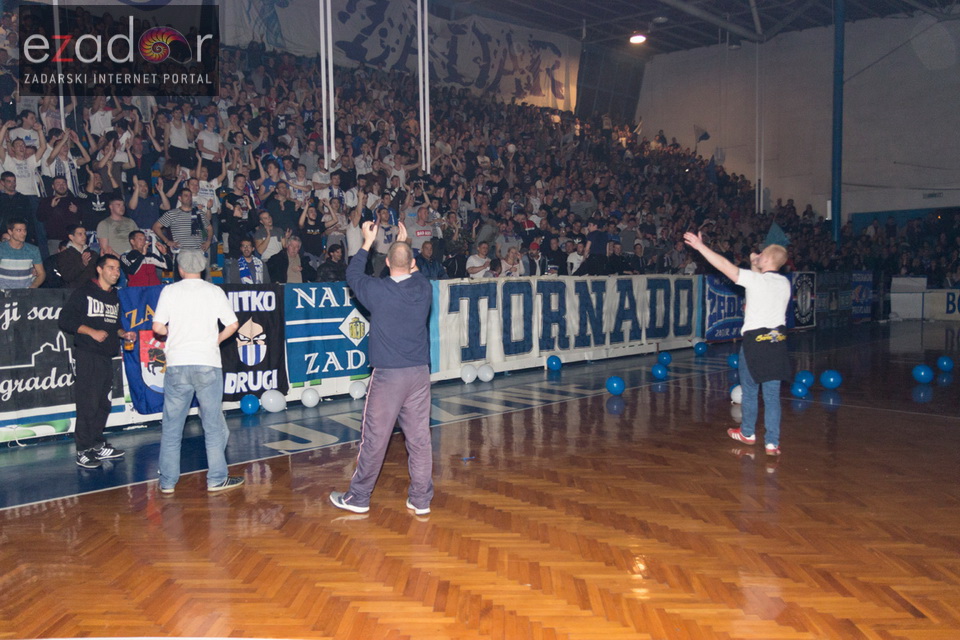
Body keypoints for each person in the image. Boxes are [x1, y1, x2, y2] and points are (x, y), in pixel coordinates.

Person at [330, 221, 434, 515]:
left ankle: (359, 497)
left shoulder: (378, 290)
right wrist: (405, 244)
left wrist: (367, 242)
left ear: (386, 264)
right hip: (419, 374)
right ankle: (421, 500)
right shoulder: (424, 288)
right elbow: (413, 269)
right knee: (419, 440)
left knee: (375, 438)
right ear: (412, 263)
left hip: (389, 376)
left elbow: (352, 274)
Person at [684, 231, 790, 456]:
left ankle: (748, 433)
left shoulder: (756, 280)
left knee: (750, 391)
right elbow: (759, 286)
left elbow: (724, 266)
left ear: (768, 259)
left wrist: (701, 247)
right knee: (772, 396)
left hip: (755, 343)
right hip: (777, 342)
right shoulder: (783, 283)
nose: (758, 254)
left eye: (762, 253)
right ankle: (772, 443)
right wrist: (755, 264)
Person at [151, 250, 243, 493]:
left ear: (180, 269)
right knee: (212, 426)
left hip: (178, 364)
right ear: (202, 269)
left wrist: (174, 333)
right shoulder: (214, 291)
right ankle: (216, 479)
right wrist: (216, 340)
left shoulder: (169, 291)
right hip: (207, 363)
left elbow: (158, 327)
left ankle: (167, 482)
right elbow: (233, 324)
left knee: (172, 428)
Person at [58, 254, 135, 468]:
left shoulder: (114, 297)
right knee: (88, 404)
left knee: (103, 404)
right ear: (99, 270)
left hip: (106, 356)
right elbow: (65, 320)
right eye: (111, 268)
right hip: (87, 354)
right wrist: (91, 331)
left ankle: (97, 444)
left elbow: (114, 325)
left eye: (118, 269)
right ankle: (83, 450)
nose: (116, 272)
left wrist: (123, 333)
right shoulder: (84, 292)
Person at [0, 218, 44, 288]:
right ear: (10, 232)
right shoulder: (2, 249)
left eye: (24, 230)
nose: (23, 233)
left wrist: (32, 287)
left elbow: (41, 274)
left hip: (25, 291)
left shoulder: (33, 250)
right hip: (3, 291)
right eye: (19, 230)